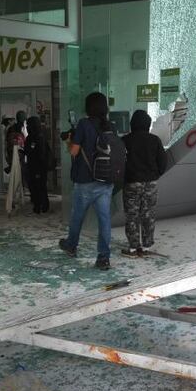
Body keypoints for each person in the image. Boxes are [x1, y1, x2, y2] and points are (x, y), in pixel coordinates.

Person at [59, 92, 115, 270]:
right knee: (104, 220)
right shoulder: (111, 126)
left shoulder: (84, 124)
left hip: (85, 181)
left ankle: (71, 245)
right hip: (106, 181)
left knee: (77, 217)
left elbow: (74, 152)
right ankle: (103, 258)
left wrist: (69, 141)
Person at [120, 109, 169, 256]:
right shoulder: (155, 140)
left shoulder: (125, 140)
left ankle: (134, 247)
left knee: (132, 215)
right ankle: (147, 245)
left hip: (132, 182)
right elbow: (163, 162)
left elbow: (120, 162)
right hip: (150, 183)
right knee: (148, 214)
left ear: (132, 124)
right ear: (148, 125)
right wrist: (155, 174)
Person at [24, 116, 52, 214]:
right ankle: (38, 205)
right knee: (35, 187)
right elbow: (28, 150)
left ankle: (42, 206)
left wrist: (38, 170)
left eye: (28, 125)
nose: (27, 127)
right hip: (33, 167)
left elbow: (41, 155)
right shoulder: (31, 137)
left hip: (39, 168)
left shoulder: (39, 137)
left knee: (40, 187)